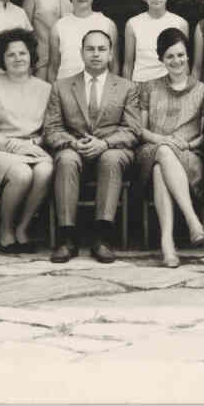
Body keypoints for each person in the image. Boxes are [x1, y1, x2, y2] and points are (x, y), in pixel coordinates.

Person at [43, 29, 141, 263]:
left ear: (110, 55)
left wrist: (105, 143)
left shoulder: (126, 87)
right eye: (90, 49)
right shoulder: (62, 86)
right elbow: (52, 129)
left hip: (112, 149)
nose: (95, 54)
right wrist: (73, 143)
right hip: (74, 148)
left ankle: (102, 237)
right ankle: (67, 238)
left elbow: (133, 129)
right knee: (65, 159)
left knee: (111, 159)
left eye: (101, 49)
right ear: (81, 53)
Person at [134, 28, 204, 267]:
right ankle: (192, 220)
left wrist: (186, 144)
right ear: (161, 59)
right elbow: (140, 131)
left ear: (188, 56)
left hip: (189, 154)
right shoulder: (149, 88)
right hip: (151, 149)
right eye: (169, 56)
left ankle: (167, 244)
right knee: (162, 154)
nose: (176, 61)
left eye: (180, 55)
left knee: (160, 168)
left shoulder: (203, 90)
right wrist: (161, 140)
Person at [0, 28, 53, 253]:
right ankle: (6, 230)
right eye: (11, 54)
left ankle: (23, 228)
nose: (18, 58)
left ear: (31, 56)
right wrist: (16, 147)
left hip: (33, 147)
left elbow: (50, 129)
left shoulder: (46, 89)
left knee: (46, 170)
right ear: (2, 58)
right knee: (21, 173)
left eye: (23, 53)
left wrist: (35, 145)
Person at [47, 0, 119, 82]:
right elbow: (53, 68)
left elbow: (114, 66)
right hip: (66, 90)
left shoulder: (107, 24)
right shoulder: (59, 27)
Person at [123, 0, 189, 83]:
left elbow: (184, 64)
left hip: (170, 85)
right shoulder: (133, 24)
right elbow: (128, 65)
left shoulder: (180, 23)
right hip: (141, 84)